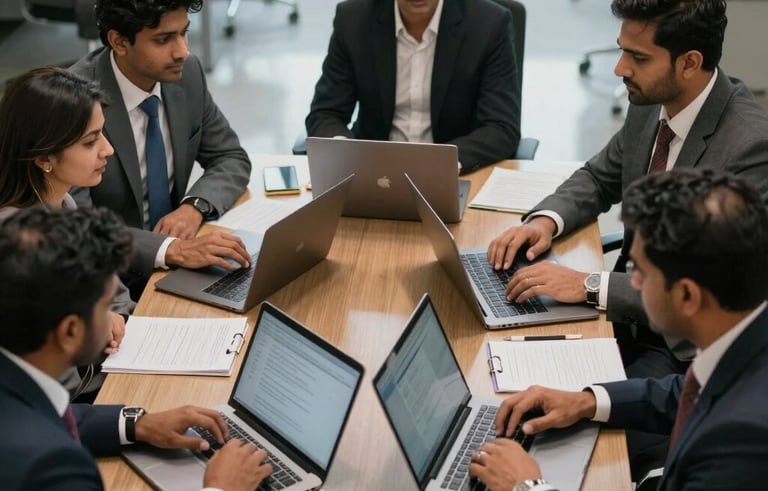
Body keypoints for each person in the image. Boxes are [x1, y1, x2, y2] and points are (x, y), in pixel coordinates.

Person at [487, 0, 768, 379]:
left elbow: (715, 290)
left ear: (689, 63)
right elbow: (600, 177)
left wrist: (589, 285)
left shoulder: (749, 146)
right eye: (621, 50)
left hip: (677, 348)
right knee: (501, 359)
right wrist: (544, 222)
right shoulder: (651, 100)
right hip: (624, 312)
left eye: (638, 57)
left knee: (564, 410)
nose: (620, 69)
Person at [470, 169, 768, 491]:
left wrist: (527, 486)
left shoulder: (742, 442)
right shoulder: (744, 337)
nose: (633, 283)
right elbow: (686, 391)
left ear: (686, 295)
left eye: (640, 271)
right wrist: (585, 402)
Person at [0, 206, 271, 490]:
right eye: (106, 307)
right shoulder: (54, 470)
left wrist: (136, 425)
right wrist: (220, 488)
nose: (115, 317)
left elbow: (45, 413)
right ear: (70, 330)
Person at [69, 0, 252, 295]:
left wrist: (194, 207)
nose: (183, 51)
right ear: (119, 41)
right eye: (164, 39)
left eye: (184, 33)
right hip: (108, 277)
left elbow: (230, 156)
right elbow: (76, 223)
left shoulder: (187, 73)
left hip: (179, 261)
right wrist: (169, 249)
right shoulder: (74, 101)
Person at [0, 66, 133, 399]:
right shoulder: (22, 240)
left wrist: (111, 314)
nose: (108, 150)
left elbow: (117, 293)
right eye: (91, 141)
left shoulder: (63, 204)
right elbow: (59, 393)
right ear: (45, 157)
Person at [305, 0, 521, 174]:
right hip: (374, 174)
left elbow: (501, 128)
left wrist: (445, 163)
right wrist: (346, 154)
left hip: (453, 173)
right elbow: (325, 114)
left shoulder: (489, 24)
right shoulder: (352, 19)